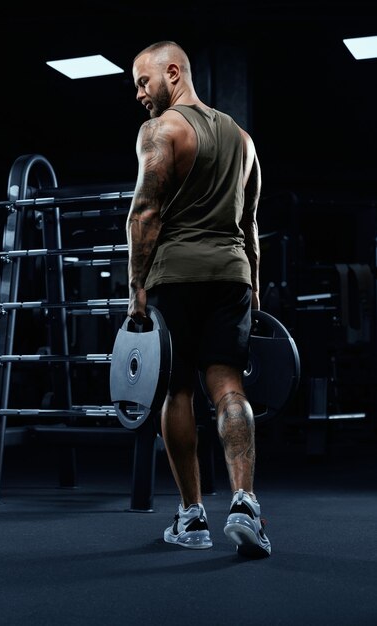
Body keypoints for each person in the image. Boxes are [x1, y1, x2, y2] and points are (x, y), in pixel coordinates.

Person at [126, 40, 271, 558]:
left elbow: (145, 214)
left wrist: (135, 291)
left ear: (173, 72)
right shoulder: (245, 141)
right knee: (230, 388)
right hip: (232, 275)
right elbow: (251, 225)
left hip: (175, 278)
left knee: (178, 392)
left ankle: (191, 518)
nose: (140, 93)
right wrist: (253, 288)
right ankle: (246, 502)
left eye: (144, 81)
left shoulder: (161, 131)